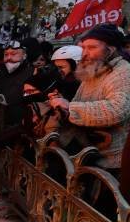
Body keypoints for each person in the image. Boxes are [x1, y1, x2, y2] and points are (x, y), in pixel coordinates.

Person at [47, 24, 130, 175]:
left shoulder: (123, 72)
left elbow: (117, 110)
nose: (85, 53)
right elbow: (78, 102)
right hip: (83, 152)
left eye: (91, 47)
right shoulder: (91, 72)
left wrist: (70, 108)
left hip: (110, 162)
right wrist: (61, 104)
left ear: (110, 49)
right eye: (83, 47)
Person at [0, 40, 34, 130]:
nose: (9, 58)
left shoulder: (32, 74)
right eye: (6, 55)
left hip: (19, 131)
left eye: (13, 54)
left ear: (24, 55)